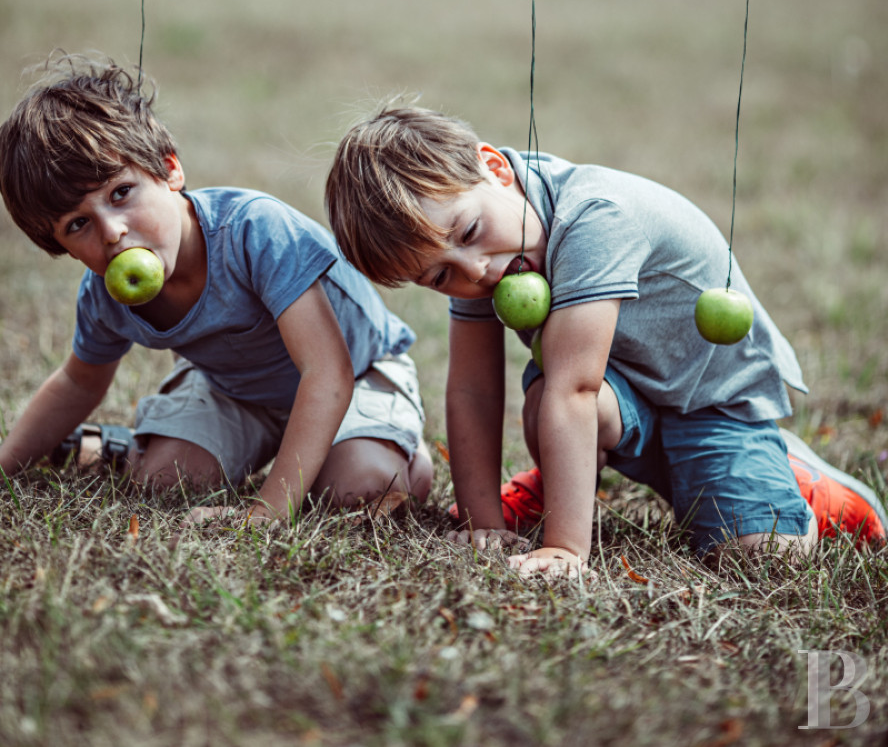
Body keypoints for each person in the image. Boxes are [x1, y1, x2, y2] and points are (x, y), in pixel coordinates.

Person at [325, 104, 887, 575]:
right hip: (624, 394)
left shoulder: (593, 220)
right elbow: (473, 390)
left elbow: (576, 390)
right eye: (439, 276)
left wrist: (565, 550)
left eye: (470, 232)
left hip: (714, 404)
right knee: (546, 398)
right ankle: (566, 478)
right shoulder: (478, 249)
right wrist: (483, 524)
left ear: (493, 167)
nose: (476, 271)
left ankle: (806, 483)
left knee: (760, 556)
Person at [0, 58, 432, 525]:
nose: (112, 232)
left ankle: (398, 448)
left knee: (358, 486)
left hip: (356, 373)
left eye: (121, 193)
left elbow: (328, 373)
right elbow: (78, 382)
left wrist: (268, 511)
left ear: (169, 170)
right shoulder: (105, 295)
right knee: (163, 480)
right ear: (59, 246)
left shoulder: (255, 232)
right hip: (234, 388)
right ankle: (119, 445)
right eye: (78, 224)